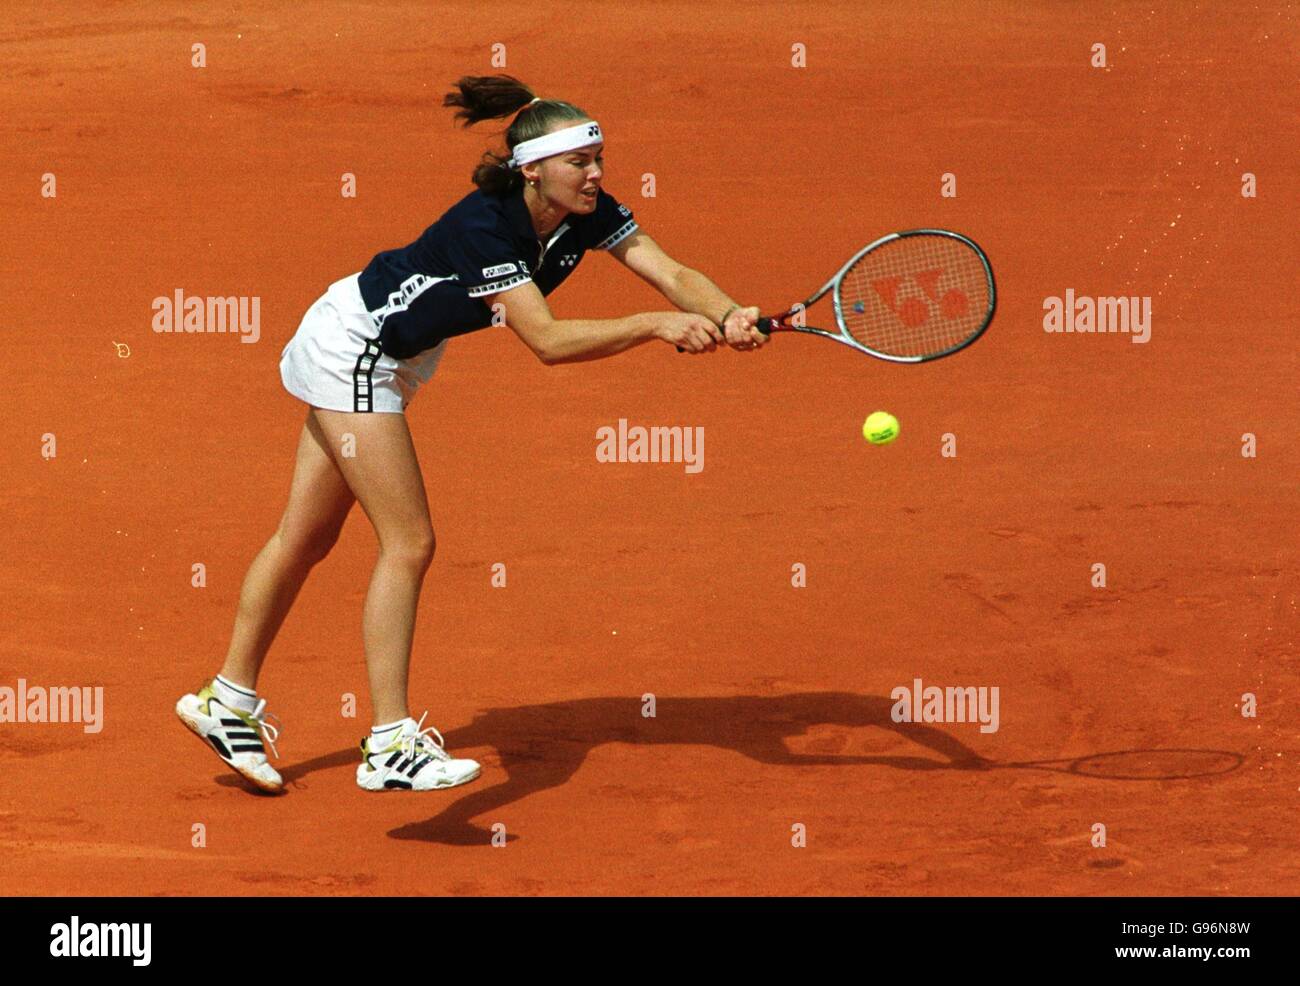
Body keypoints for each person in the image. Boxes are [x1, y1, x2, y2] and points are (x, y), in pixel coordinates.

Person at [175, 74, 769, 794]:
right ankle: (390, 742)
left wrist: (730, 311)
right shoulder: (482, 226)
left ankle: (225, 698)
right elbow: (546, 341)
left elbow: (670, 270)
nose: (597, 174)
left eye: (599, 158)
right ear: (533, 171)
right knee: (410, 541)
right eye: (581, 162)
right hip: (356, 351)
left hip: (380, 346)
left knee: (307, 535)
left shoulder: (584, 211)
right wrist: (654, 326)